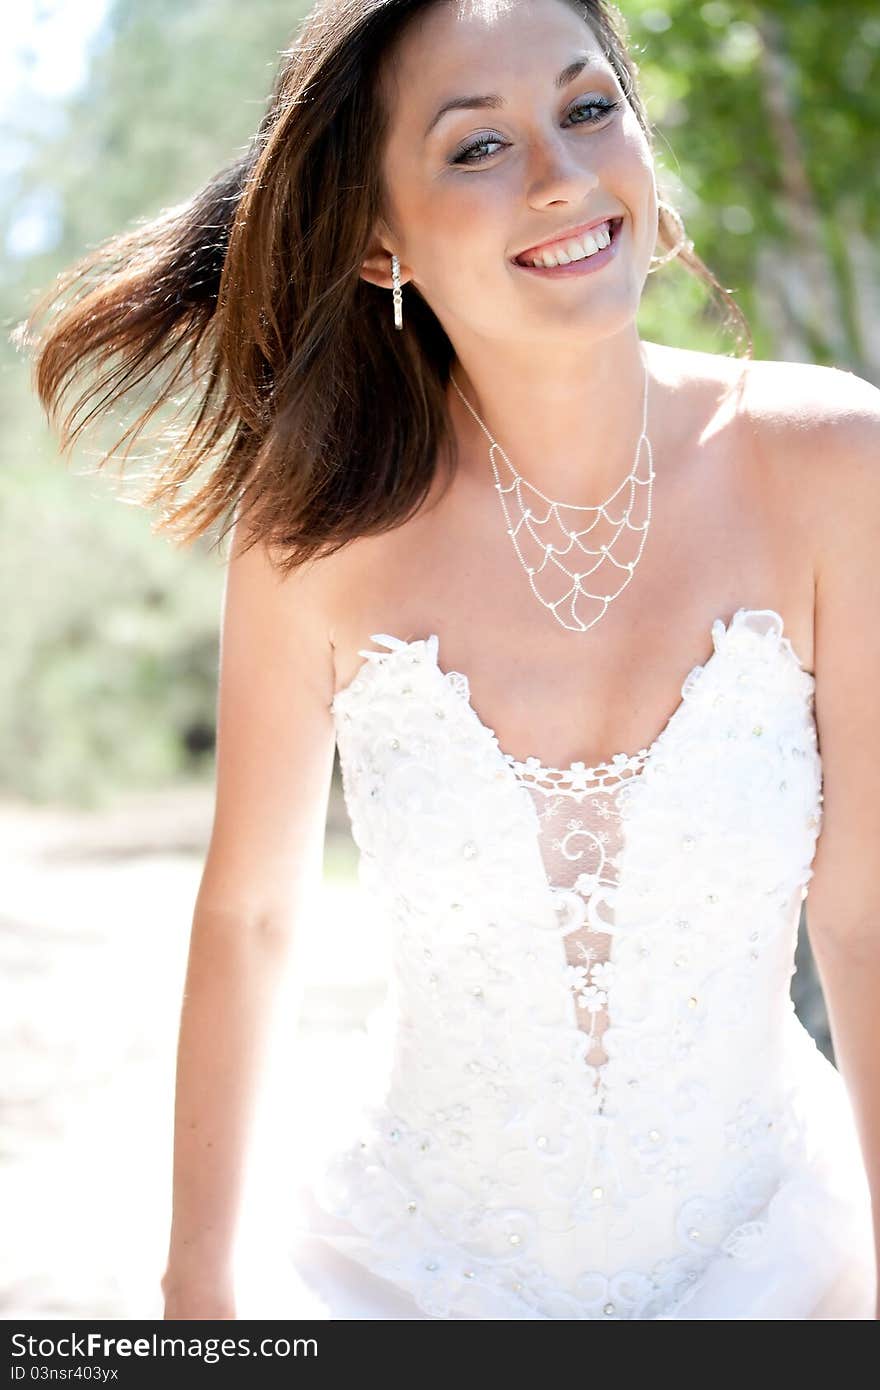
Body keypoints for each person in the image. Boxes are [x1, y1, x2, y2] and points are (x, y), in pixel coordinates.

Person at [15, 0, 880, 1321]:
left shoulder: (832, 466)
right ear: (376, 240)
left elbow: (866, 917)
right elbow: (253, 918)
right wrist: (196, 1291)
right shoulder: (316, 535)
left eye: (590, 109)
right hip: (398, 1283)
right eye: (477, 148)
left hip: (778, 1263)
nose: (562, 176)